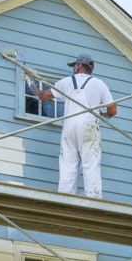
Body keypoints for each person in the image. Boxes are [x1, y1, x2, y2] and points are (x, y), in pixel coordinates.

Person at [36, 53, 117, 198]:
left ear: (79, 66)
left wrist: (33, 86)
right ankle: (94, 197)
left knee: (68, 163)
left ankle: (65, 197)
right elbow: (113, 110)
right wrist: (104, 115)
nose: (73, 68)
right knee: (90, 162)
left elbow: (44, 96)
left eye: (74, 65)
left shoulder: (66, 82)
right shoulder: (99, 84)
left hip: (69, 125)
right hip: (89, 125)